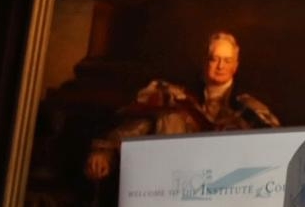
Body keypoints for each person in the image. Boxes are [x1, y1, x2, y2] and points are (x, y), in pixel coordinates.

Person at [86, 30, 282, 180]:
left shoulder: (248, 107)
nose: (220, 66)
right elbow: (137, 127)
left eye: (227, 60)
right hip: (172, 186)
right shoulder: (178, 97)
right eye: (214, 59)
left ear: (235, 65)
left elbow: (274, 147)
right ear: (205, 62)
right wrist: (104, 152)